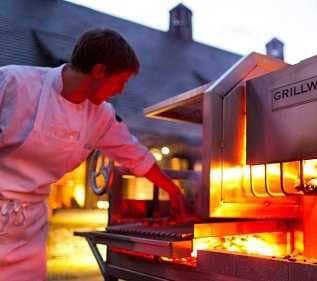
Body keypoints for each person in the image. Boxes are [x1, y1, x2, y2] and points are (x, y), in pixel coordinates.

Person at [0, 28, 190, 280]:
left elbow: (136, 155)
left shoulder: (101, 116)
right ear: (99, 71)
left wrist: (173, 190)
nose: (122, 90)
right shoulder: (13, 83)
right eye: (120, 81)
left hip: (29, 226)